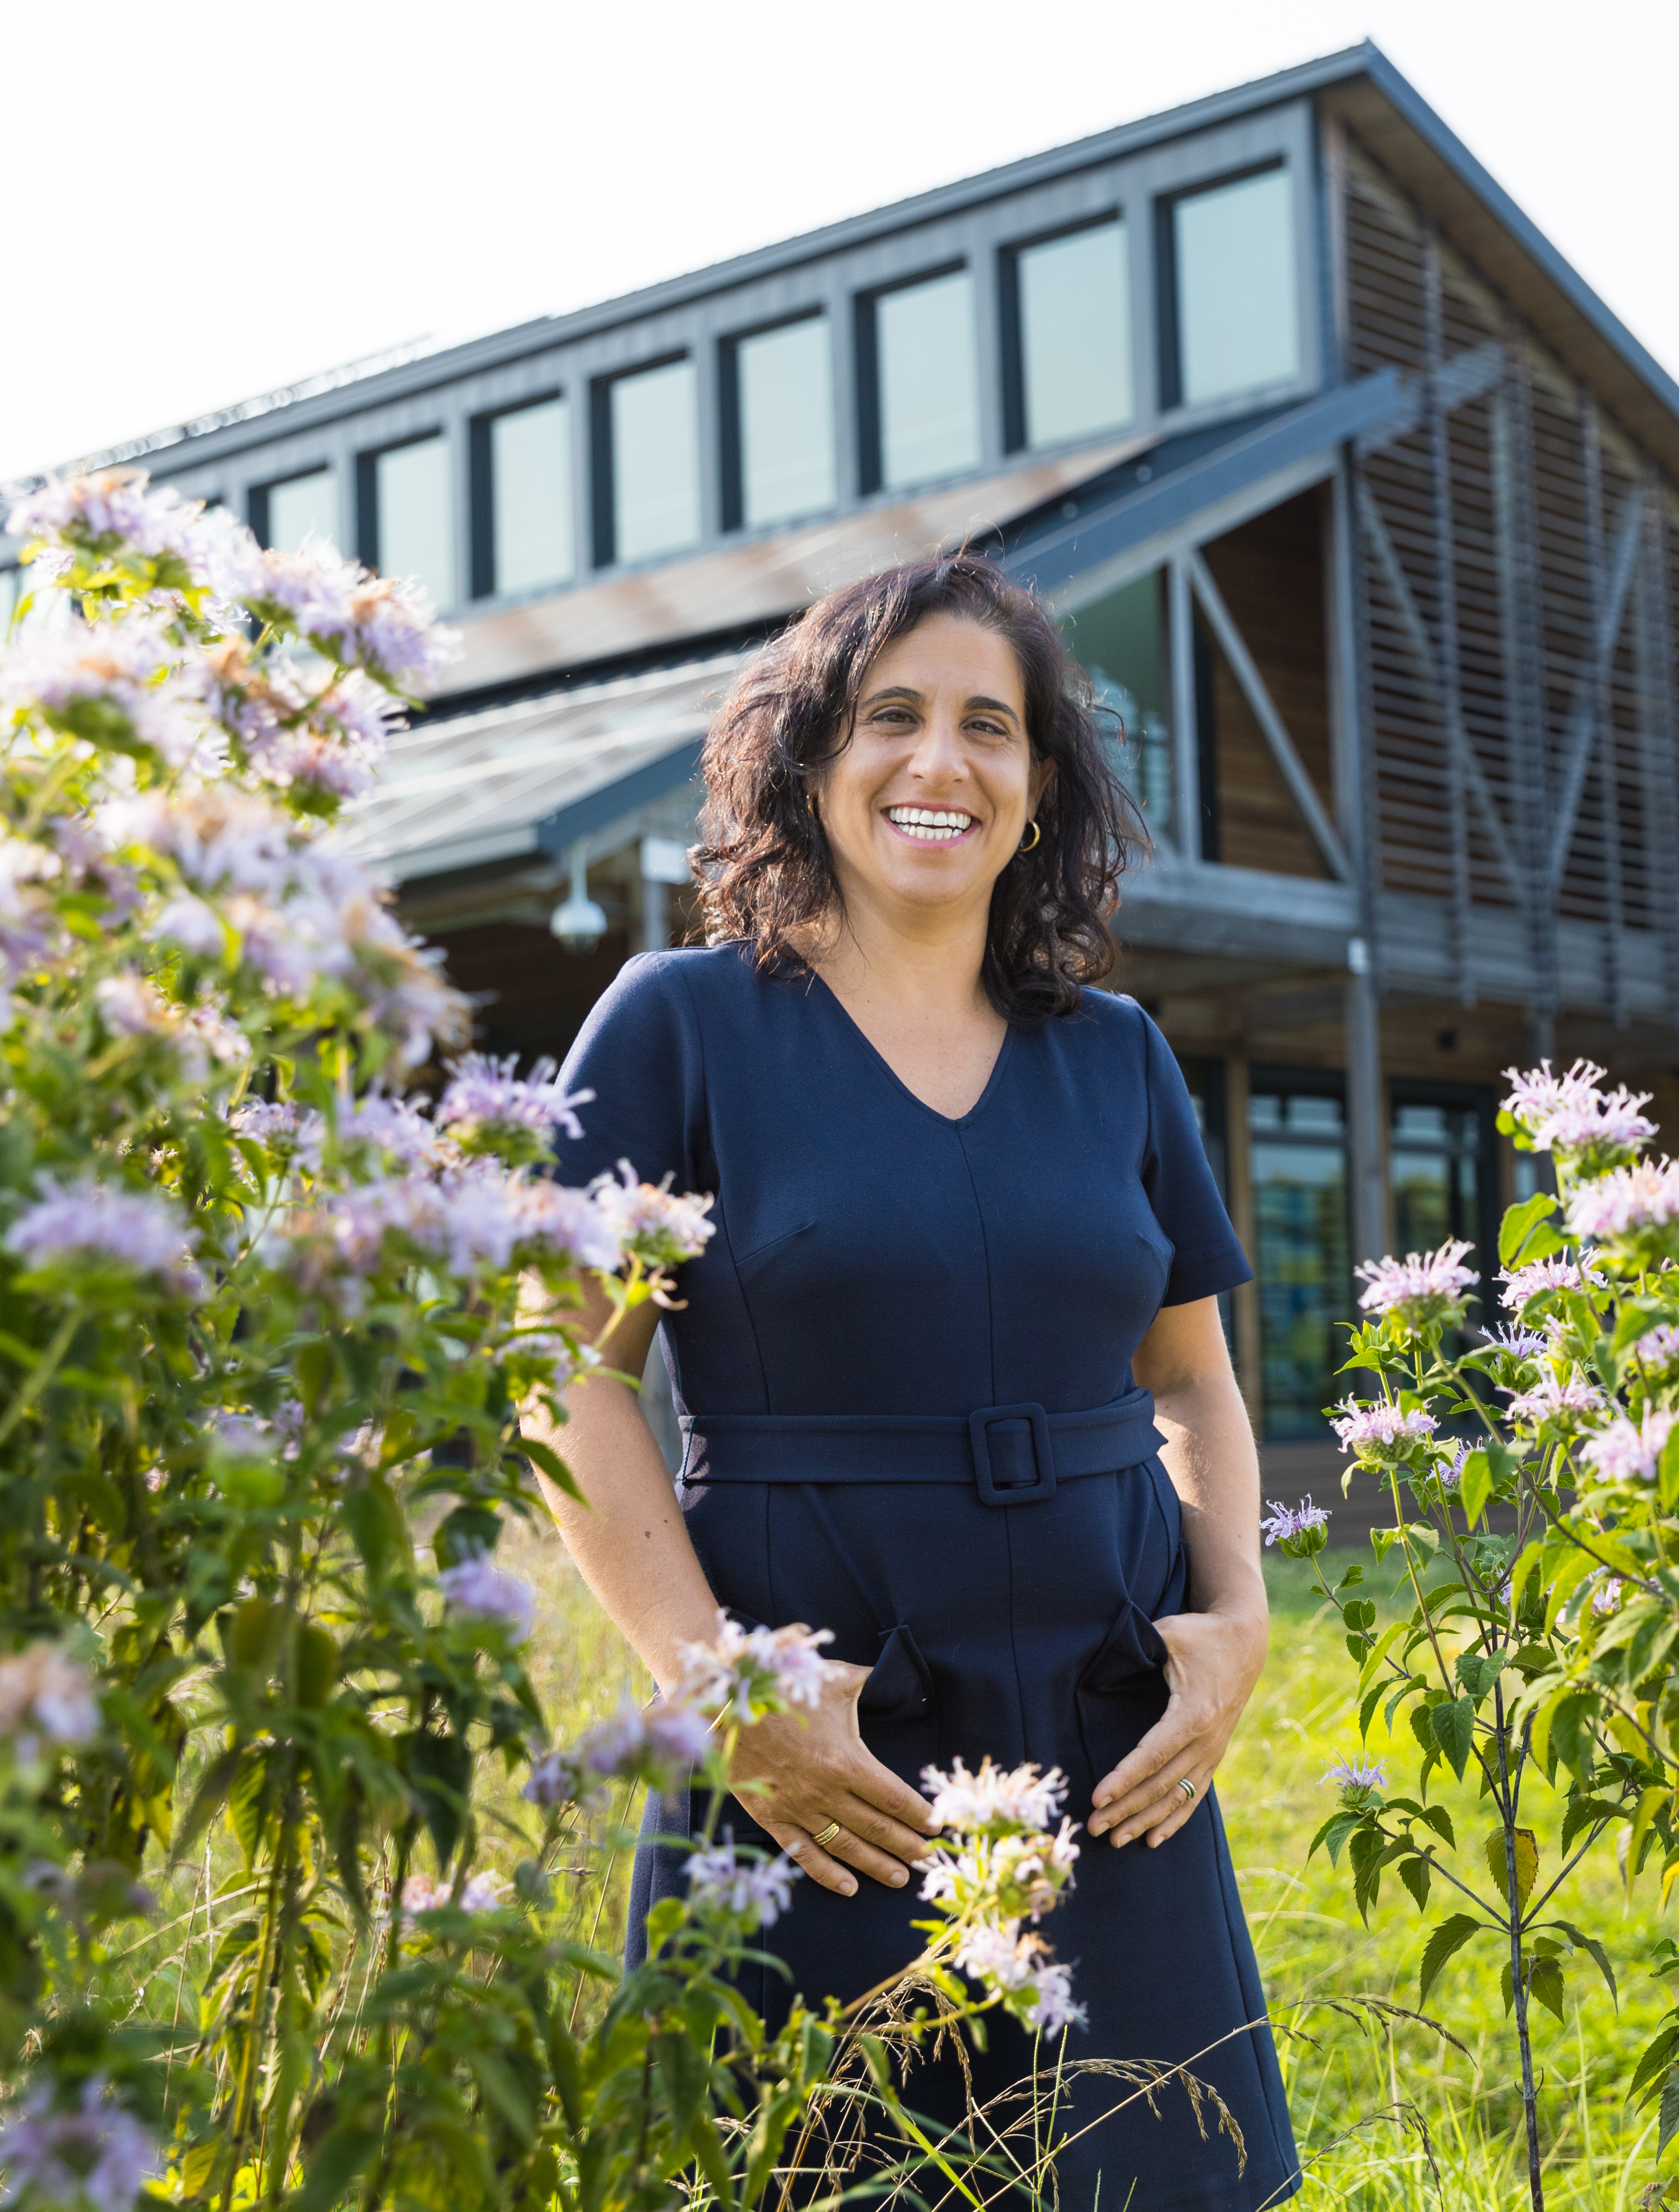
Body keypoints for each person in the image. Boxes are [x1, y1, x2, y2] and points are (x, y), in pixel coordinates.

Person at [530, 553, 1297, 2210]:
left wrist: (1236, 1630)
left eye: (990, 728)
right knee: (817, 2175)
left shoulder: (1120, 1054)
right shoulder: (678, 1025)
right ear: (810, 762)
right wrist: (720, 1691)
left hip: (1112, 1752)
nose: (940, 763)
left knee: (1154, 2184)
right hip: (829, 1752)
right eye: (892, 717)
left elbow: (1197, 1386)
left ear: (1039, 791)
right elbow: (558, 1374)